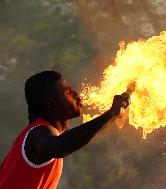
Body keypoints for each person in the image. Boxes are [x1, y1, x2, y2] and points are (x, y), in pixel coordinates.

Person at [0, 71, 130, 189]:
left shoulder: (42, 134)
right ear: (51, 104)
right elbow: (59, 146)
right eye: (68, 92)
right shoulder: (38, 133)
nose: (77, 95)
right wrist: (111, 114)